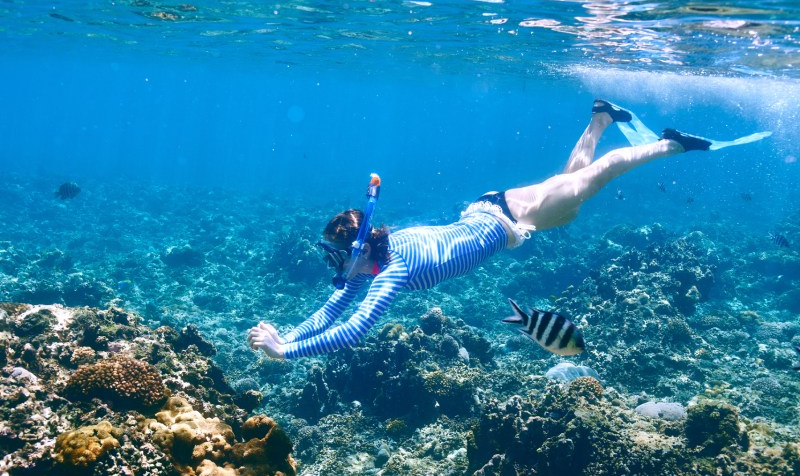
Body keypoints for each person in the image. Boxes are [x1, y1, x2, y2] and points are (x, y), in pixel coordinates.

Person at [248, 100, 770, 359]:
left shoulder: (391, 271)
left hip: (512, 219)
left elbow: (354, 329)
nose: (333, 266)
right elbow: (331, 312)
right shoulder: (367, 268)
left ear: (360, 248)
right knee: (569, 184)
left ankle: (672, 143)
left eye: (335, 255)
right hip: (489, 209)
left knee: (594, 178)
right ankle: (601, 118)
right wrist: (285, 337)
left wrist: (285, 352)